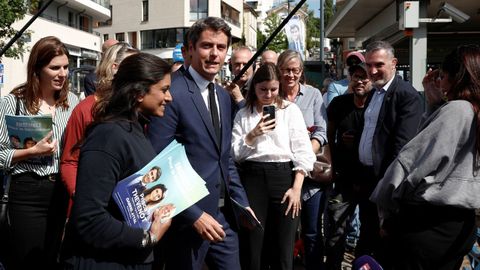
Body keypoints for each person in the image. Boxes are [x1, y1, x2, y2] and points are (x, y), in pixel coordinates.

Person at [147, 17, 252, 270]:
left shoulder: (224, 97)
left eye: (221, 47)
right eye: (207, 46)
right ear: (190, 49)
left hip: (224, 217)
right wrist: (193, 215)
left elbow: (223, 158)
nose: (214, 54)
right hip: (186, 222)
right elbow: (157, 163)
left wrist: (243, 203)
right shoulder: (171, 93)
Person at [370, 44, 480, 270]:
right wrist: (435, 105)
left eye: (442, 75)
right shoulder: (471, 110)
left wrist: (385, 208)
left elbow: (412, 162)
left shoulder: (457, 110)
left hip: (427, 224)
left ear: (454, 76)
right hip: (459, 225)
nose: (439, 81)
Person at [62, 52, 173, 269]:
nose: (169, 98)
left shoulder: (135, 128)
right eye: (164, 90)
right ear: (139, 93)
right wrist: (147, 237)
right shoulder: (108, 136)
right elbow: (89, 218)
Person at [0, 36, 80, 269]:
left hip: (61, 192)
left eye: (66, 67)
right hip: (27, 192)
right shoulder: (13, 102)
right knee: (29, 261)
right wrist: (30, 152)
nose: (62, 73)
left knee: (53, 258)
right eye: (54, 67)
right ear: (37, 69)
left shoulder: (72, 102)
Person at [231, 62, 315, 270]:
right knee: (253, 243)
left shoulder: (290, 110)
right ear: (254, 88)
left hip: (283, 176)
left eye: (273, 89)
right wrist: (253, 134)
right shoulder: (244, 114)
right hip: (253, 177)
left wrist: (297, 188)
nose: (268, 94)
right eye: (263, 89)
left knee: (283, 245)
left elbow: (303, 151)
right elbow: (234, 154)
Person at [356, 40, 423, 262]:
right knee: (368, 238)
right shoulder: (374, 94)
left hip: (387, 184)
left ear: (394, 63)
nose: (373, 71)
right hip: (367, 180)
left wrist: (386, 187)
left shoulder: (407, 96)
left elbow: (403, 148)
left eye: (379, 65)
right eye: (369, 65)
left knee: (384, 244)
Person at [61, 42, 139, 215]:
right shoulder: (84, 109)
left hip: (129, 209)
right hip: (92, 209)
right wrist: (81, 197)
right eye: (134, 68)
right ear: (114, 68)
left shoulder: (137, 109)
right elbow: (70, 162)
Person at [277, 49, 328, 270]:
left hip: (311, 177)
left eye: (295, 70)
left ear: (301, 72)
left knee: (312, 231)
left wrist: (304, 154)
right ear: (279, 71)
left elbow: (322, 130)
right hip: (281, 174)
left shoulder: (313, 95)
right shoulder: (271, 94)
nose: (291, 75)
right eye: (286, 70)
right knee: (284, 232)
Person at [324, 63, 372, 270]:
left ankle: (360, 265)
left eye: (364, 77)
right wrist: (332, 161)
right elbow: (329, 134)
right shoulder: (339, 103)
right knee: (336, 230)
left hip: (369, 177)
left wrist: (358, 140)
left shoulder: (377, 105)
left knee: (369, 230)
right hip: (343, 176)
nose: (359, 80)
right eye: (355, 76)